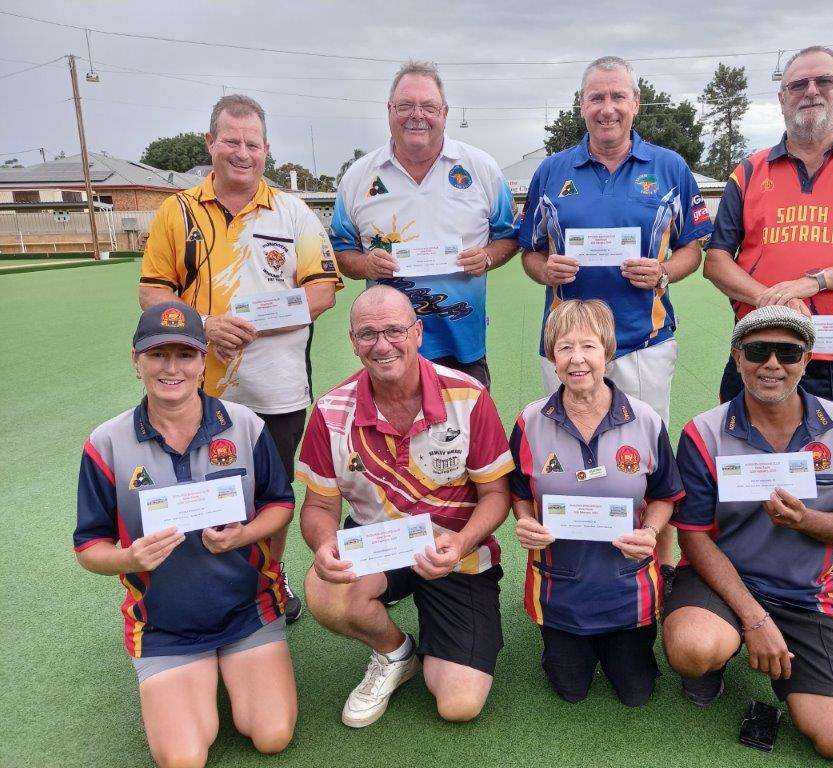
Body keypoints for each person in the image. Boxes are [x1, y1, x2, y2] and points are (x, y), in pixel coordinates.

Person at [702, 46, 833, 627]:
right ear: (782, 97)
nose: (810, 92)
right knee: (740, 459)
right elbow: (716, 259)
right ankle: (734, 569)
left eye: (823, 81)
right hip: (757, 349)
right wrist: (770, 296)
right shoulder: (749, 170)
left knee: (828, 470)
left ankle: (830, 573)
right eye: (798, 84)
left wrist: (811, 281)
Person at [140, 94, 344, 623]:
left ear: (267, 150)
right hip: (191, 388)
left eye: (253, 143)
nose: (242, 152)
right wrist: (204, 328)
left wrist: (251, 325)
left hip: (277, 389)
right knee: (197, 489)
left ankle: (268, 585)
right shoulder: (177, 211)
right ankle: (203, 589)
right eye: (231, 140)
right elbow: (153, 294)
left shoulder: (292, 211)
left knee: (270, 494)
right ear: (211, 143)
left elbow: (322, 290)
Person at [74, 302, 297, 768]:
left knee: (271, 735)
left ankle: (231, 665)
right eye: (157, 355)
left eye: (185, 354)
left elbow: (280, 505)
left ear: (202, 361)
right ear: (136, 362)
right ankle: (195, 675)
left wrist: (244, 536)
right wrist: (129, 559)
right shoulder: (107, 442)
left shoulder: (244, 425)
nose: (171, 368)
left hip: (247, 610)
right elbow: (89, 547)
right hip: (163, 626)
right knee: (183, 758)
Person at [519, 55, 713, 585]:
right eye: (596, 98)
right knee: (562, 452)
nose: (607, 108)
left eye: (617, 97)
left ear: (635, 102)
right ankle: (565, 565)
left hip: (642, 340)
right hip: (567, 346)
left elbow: (695, 249)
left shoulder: (669, 167)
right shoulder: (552, 171)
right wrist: (546, 268)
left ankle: (662, 563)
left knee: (649, 458)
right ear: (582, 106)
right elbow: (529, 253)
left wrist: (664, 272)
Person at [662, 305, 833, 761]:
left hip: (805, 593)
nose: (772, 365)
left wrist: (808, 521)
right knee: (692, 648)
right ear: (737, 356)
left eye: (788, 352)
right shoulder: (703, 432)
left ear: (807, 359)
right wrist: (756, 619)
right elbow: (695, 537)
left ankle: (782, 652)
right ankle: (716, 659)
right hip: (722, 582)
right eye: (758, 351)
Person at [296, 285, 513, 727]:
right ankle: (395, 653)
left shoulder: (468, 397)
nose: (382, 344)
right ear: (353, 343)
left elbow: (497, 496)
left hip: (455, 552)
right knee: (325, 592)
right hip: (378, 543)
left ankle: (442, 632)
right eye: (368, 334)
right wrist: (323, 545)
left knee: (458, 703)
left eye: (394, 330)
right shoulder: (330, 410)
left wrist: (463, 540)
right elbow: (318, 506)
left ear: (417, 333)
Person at [508, 299, 683, 706]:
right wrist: (524, 520)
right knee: (571, 690)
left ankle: (624, 642)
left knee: (636, 692)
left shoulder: (646, 420)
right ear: (553, 358)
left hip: (628, 586)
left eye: (588, 346)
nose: (577, 359)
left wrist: (650, 531)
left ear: (608, 351)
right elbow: (517, 490)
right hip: (560, 587)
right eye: (564, 347)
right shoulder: (529, 422)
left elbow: (664, 494)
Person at [330, 60, 519, 389]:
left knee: (466, 438)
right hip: (386, 349)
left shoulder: (482, 168)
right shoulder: (358, 177)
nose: (417, 115)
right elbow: (342, 251)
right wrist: (365, 263)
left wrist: (487, 257)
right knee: (388, 439)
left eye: (428, 106)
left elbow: (508, 237)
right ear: (389, 110)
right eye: (405, 106)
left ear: (444, 112)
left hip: (463, 349)